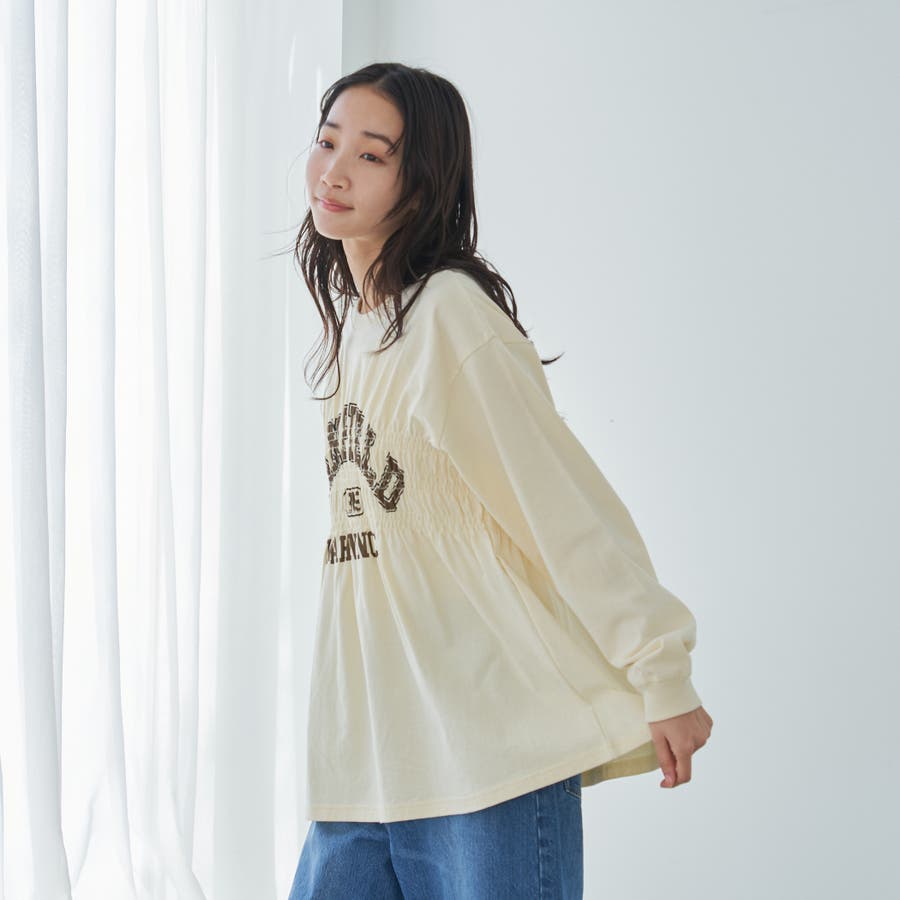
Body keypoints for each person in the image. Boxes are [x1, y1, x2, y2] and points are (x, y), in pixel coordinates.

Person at [286, 61, 713, 899]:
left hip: (489, 763)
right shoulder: (354, 338)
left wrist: (661, 669)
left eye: (371, 155)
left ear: (421, 182)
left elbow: (563, 508)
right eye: (327, 142)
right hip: (367, 766)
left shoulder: (449, 318)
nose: (333, 171)